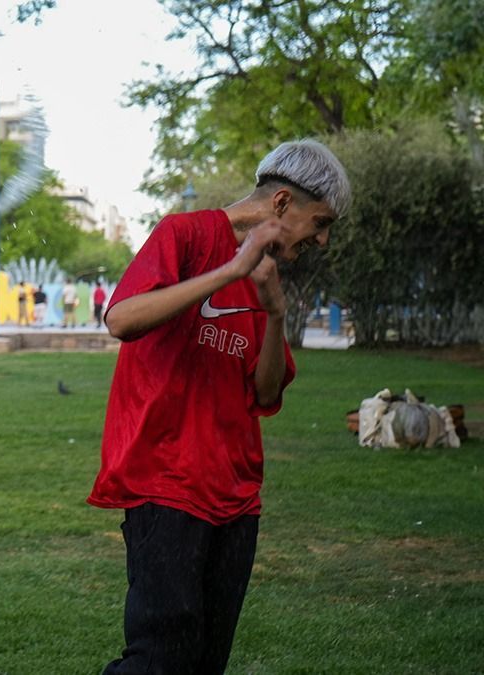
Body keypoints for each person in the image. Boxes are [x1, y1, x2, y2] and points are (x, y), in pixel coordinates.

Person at [88, 139, 350, 675]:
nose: (322, 239)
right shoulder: (183, 235)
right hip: (165, 483)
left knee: (206, 662)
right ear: (281, 205)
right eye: (320, 222)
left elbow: (267, 394)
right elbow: (121, 319)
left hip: (236, 497)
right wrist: (230, 271)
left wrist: (275, 315)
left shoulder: (268, 275)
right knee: (161, 658)